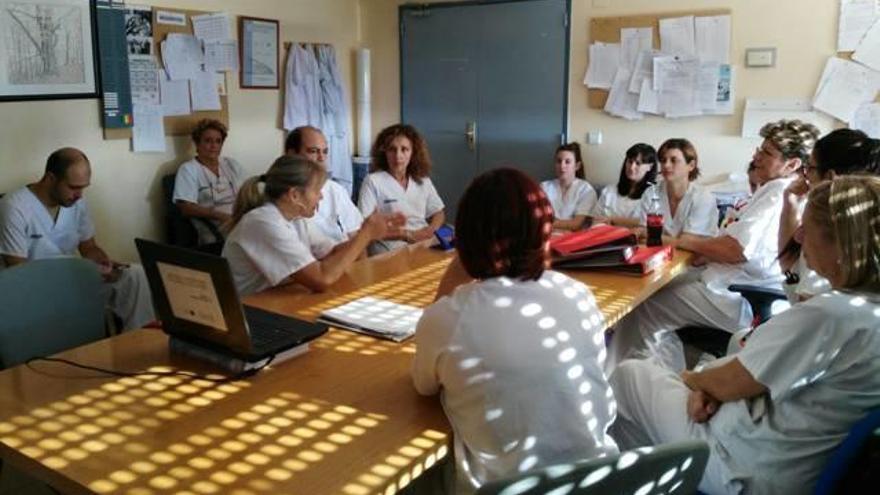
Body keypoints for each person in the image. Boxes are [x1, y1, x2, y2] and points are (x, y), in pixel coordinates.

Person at [610, 176, 880, 495]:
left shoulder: (832, 315)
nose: (799, 235)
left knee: (628, 376)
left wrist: (697, 381)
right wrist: (712, 386)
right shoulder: (863, 311)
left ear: (841, 244)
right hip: (778, 453)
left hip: (744, 467)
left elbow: (731, 381)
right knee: (672, 379)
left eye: (808, 228)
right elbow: (743, 379)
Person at [412, 168, 618, 493]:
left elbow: (424, 386)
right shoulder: (578, 294)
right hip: (597, 480)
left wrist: (457, 270)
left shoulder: (450, 317)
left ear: (466, 237)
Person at [607, 120, 821, 373]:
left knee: (642, 307)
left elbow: (737, 250)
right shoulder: (781, 191)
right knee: (656, 290)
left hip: (741, 294)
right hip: (735, 282)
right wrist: (707, 252)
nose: (757, 156)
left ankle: (621, 383)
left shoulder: (776, 193)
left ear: (792, 164)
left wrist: (683, 242)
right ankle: (659, 378)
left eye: (767, 153)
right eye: (760, 149)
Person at [0, 148, 154, 330]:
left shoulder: (77, 202)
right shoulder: (14, 207)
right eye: (73, 187)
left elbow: (89, 247)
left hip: (72, 280)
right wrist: (82, 273)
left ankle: (138, 341)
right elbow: (18, 270)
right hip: (34, 289)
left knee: (135, 275)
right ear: (50, 179)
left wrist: (103, 263)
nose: (79, 195)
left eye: (83, 187)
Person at [222, 155, 403, 296]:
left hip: (277, 300)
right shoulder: (263, 222)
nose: (321, 197)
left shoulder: (296, 219)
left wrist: (368, 234)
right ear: (294, 195)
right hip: (251, 309)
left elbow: (331, 253)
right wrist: (365, 234)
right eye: (317, 191)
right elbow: (321, 278)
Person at [778, 128, 880, 302]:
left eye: (809, 168)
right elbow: (789, 265)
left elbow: (809, 315)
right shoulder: (863, 217)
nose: (804, 176)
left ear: (831, 177)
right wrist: (790, 204)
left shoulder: (829, 231)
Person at [358, 124, 445, 255]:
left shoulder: (422, 180)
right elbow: (365, 227)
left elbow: (438, 212)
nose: (398, 156)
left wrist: (431, 230)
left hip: (422, 239)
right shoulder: (372, 181)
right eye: (392, 150)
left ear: (413, 152)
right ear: (384, 152)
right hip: (390, 244)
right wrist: (407, 235)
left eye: (404, 149)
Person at [172, 119, 245, 248]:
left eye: (218, 141)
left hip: (240, 219)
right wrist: (223, 216)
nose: (214, 146)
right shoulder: (189, 169)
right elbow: (186, 208)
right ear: (197, 143)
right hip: (215, 226)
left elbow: (247, 192)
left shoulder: (231, 164)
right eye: (208, 141)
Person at [285, 126, 363, 243]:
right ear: (292, 154)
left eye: (325, 152)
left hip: (346, 257)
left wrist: (363, 262)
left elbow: (358, 237)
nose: (321, 158)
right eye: (313, 151)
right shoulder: (283, 197)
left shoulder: (336, 190)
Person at [633, 138, 718, 242]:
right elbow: (644, 231)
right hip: (660, 254)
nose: (666, 165)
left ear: (691, 165)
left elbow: (687, 242)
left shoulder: (703, 198)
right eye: (663, 160)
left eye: (674, 160)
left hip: (696, 257)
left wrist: (651, 235)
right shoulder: (651, 193)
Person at [591, 143, 658, 227]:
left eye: (638, 163)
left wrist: (613, 220)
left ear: (650, 167)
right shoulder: (608, 191)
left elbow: (649, 223)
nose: (631, 167)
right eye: (630, 162)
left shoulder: (654, 194)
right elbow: (596, 221)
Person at [540, 142, 598, 231]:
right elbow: (536, 217)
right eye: (559, 161)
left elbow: (576, 224)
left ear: (577, 166)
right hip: (546, 237)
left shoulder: (586, 190)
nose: (562, 166)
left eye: (567, 162)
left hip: (572, 240)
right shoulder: (544, 187)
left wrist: (550, 222)